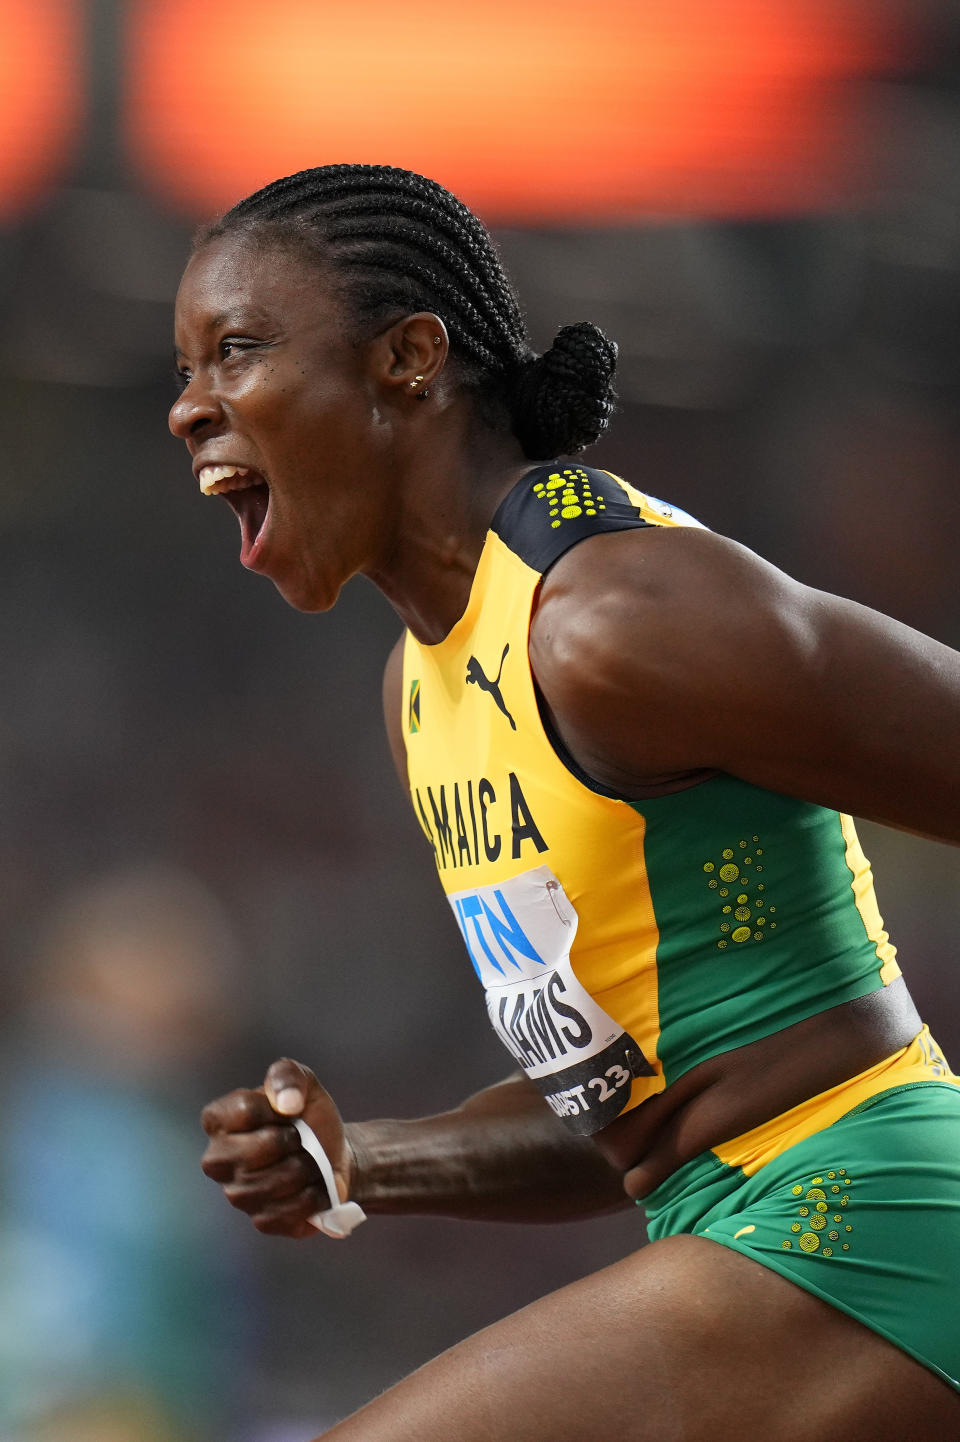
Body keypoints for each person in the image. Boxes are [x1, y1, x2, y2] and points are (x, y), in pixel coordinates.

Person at [170, 164, 960, 1439]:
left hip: (868, 1219)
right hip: (734, 1219)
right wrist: (367, 1158)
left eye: (238, 350)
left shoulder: (615, 619)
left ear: (410, 358)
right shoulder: (419, 690)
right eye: (183, 370)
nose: (189, 408)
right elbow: (620, 1115)